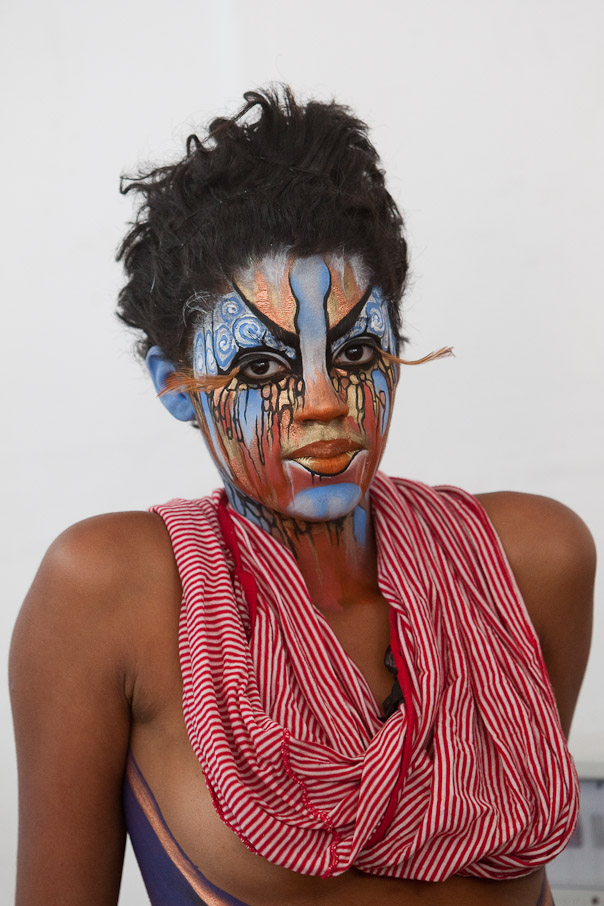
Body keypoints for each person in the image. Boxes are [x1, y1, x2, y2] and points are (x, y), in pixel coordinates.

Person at [10, 87, 595, 906]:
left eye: (355, 354)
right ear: (176, 387)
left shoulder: (529, 561)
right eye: (261, 366)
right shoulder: (112, 591)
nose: (324, 403)